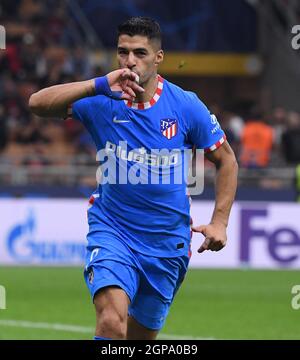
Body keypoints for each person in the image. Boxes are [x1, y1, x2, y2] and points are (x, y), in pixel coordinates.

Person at [29, 17, 238, 340]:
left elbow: (226, 160)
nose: (130, 61)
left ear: (158, 57)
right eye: (122, 52)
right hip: (113, 231)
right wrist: (97, 84)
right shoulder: (102, 100)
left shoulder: (185, 105)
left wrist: (220, 222)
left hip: (167, 243)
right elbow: (37, 104)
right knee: (112, 322)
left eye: (140, 53)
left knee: (140, 339)